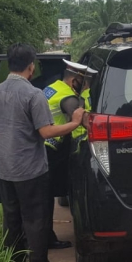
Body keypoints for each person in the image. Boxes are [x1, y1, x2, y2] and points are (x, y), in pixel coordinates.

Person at [0, 44, 84, 262]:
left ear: (9, 64)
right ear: (31, 66)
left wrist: (10, 135)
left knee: (12, 221)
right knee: (36, 223)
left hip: (5, 169)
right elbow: (46, 132)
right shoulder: (33, 94)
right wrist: (75, 122)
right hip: (30, 170)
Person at [42, 60, 94, 248]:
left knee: (44, 198)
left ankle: (43, 237)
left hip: (45, 149)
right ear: (74, 82)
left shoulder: (52, 88)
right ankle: (45, 239)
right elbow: (82, 120)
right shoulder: (67, 97)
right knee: (44, 200)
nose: (87, 87)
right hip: (50, 150)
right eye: (85, 83)